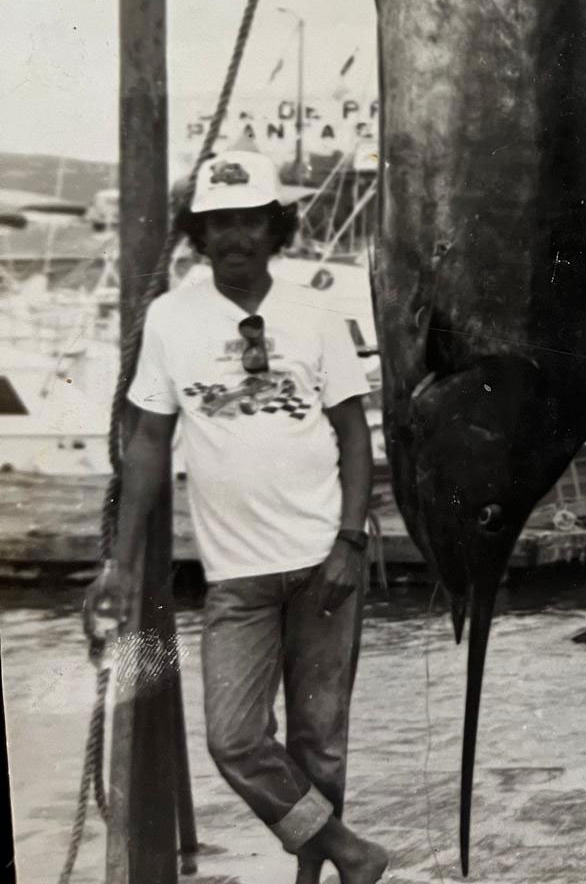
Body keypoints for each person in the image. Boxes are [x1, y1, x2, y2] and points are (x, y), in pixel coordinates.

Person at [85, 149, 388, 884]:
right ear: (200, 232)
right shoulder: (170, 318)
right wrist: (121, 563)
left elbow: (354, 433)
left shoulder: (316, 311)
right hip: (237, 578)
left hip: (323, 559)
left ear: (274, 227)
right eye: (219, 223)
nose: (235, 238)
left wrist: (351, 539)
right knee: (235, 738)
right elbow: (150, 442)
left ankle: (316, 879)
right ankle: (351, 852)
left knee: (321, 744)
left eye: (250, 221)